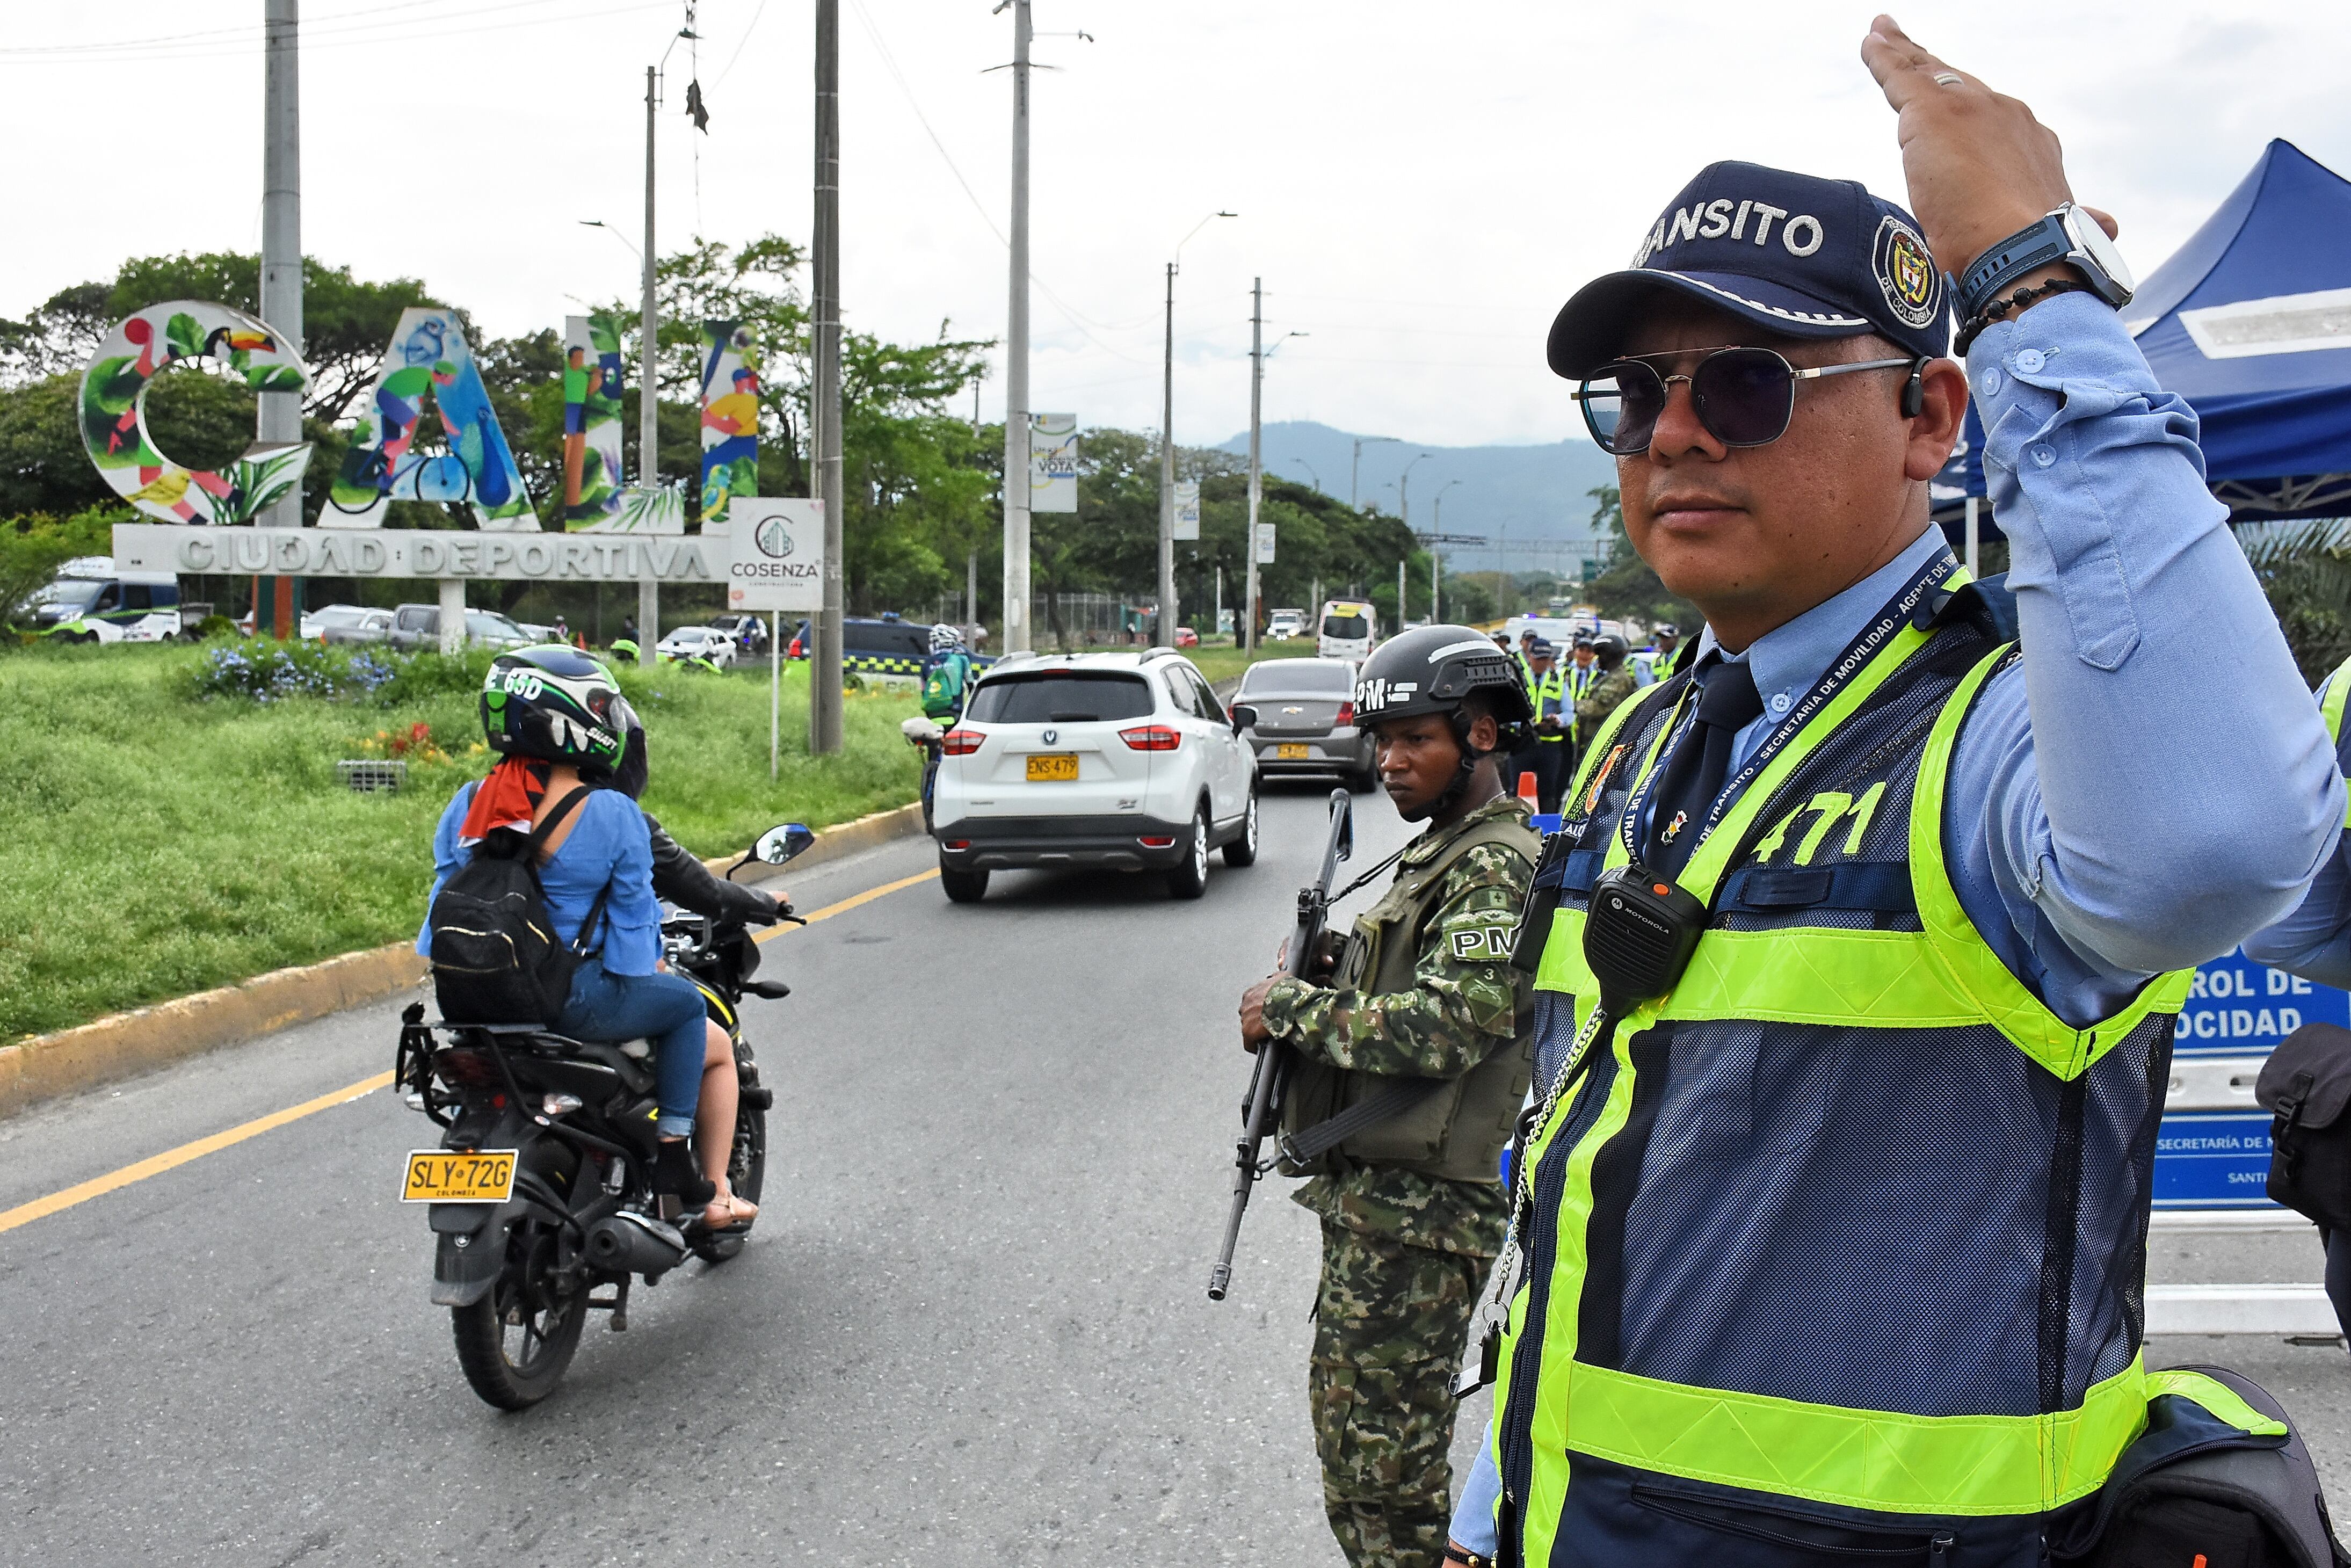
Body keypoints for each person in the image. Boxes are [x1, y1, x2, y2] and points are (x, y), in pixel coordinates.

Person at [1450, 21, 2341, 1568]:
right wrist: (1495, 1501)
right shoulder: (1650, 738)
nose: (1669, 434)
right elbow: (1592, 1156)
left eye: (1741, 385)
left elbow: (2216, 842)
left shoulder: (2000, 735)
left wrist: (2032, 290)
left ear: (1932, 419)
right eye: (1632, 393)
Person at [1235, 625, 1541, 1568]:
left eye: (1416, 739)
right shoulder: (1442, 852)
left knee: (1390, 1478)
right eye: (1382, 741)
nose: (1391, 761)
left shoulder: (1493, 863)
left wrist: (1289, 1008)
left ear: (1481, 736)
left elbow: (1448, 1027)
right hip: (1380, 1206)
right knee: (1355, 1458)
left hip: (1425, 1217)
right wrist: (1334, 974)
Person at [418, 647, 763, 1230]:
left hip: (471, 1001)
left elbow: (440, 914)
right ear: (577, 720)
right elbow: (634, 931)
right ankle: (680, 1164)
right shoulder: (610, 811)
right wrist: (650, 971)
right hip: (566, 1000)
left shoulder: (470, 801)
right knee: (686, 1010)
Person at [1526, 639, 1571, 814]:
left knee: (1548, 791)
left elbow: (1569, 713)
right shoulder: (1520, 678)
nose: (1542, 663)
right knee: (1517, 790)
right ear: (1530, 657)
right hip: (1524, 741)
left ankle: (1547, 834)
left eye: (1545, 659)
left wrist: (1558, 720)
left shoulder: (1558, 680)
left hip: (1550, 743)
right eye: (1538, 659)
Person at [1568, 633, 1637, 747]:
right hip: (1596, 738)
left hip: (1604, 740)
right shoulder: (1612, 676)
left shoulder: (1618, 679)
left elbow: (1600, 707)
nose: (1598, 659)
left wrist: (1573, 706)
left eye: (1600, 654)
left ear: (1608, 655)